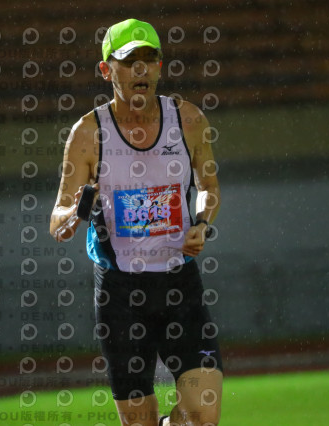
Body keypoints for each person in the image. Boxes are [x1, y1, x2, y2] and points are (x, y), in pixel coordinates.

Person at [50, 19, 223, 426]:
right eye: (129, 61)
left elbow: (209, 187)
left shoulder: (188, 120)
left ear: (160, 66)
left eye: (149, 59)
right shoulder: (88, 134)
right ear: (106, 70)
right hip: (121, 294)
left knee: (204, 415)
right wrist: (74, 215)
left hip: (180, 284)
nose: (141, 69)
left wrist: (202, 222)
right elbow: (56, 218)